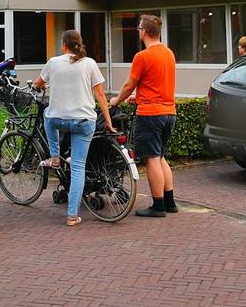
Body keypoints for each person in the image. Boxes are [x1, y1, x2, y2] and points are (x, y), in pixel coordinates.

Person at [33, 30, 114, 227]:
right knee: (78, 168)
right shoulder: (90, 63)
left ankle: (54, 156)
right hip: (84, 121)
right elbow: (100, 95)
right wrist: (109, 121)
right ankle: (71, 216)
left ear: (63, 45)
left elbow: (38, 84)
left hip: (58, 120)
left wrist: (40, 86)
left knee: (47, 114)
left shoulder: (53, 62)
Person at [111, 14, 178, 218]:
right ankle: (169, 202)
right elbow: (155, 82)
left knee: (151, 158)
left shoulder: (143, 56)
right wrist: (138, 96)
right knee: (161, 156)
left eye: (139, 28)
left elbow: (129, 83)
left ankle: (157, 206)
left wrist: (117, 100)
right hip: (169, 112)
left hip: (150, 114)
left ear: (144, 32)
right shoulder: (169, 53)